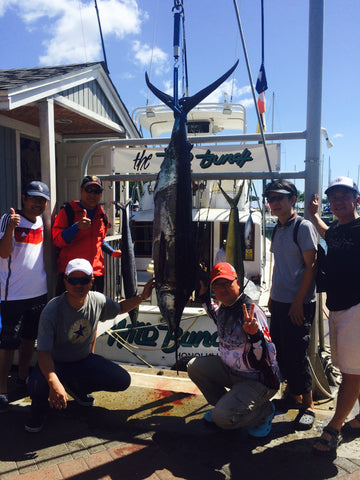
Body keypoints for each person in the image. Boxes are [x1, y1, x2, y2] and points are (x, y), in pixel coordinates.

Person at [25, 258, 155, 433]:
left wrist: (142, 297)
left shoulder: (98, 300)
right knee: (35, 383)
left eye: (84, 280)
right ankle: (39, 407)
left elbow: (120, 307)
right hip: (56, 364)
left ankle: (77, 387)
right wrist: (53, 381)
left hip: (83, 360)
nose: (78, 285)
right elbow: (43, 353)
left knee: (122, 380)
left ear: (91, 282)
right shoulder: (52, 310)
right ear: (65, 281)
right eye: (73, 280)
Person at [187, 262, 279, 436]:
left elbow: (270, 357)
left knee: (222, 419)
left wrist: (255, 335)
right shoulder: (225, 307)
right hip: (233, 373)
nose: (223, 289)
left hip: (258, 381)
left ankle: (264, 411)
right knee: (194, 366)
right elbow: (215, 314)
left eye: (227, 283)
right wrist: (204, 296)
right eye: (217, 285)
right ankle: (226, 406)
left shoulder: (251, 310)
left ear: (237, 282)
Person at [308, 176, 360, 458]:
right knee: (352, 369)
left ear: (356, 200)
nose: (338, 201)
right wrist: (314, 216)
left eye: (344, 195)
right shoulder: (339, 231)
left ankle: (335, 426)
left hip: (357, 308)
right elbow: (327, 233)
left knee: (351, 372)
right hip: (338, 308)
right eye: (334, 197)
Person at [264, 180, 318, 431]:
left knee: (297, 355)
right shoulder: (278, 228)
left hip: (299, 304)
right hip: (280, 302)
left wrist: (298, 303)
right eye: (271, 199)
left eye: (280, 198)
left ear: (292, 200)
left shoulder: (303, 227)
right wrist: (273, 297)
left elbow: (312, 267)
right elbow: (279, 266)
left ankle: (308, 405)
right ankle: (291, 396)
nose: (275, 203)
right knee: (281, 353)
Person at [0, 181, 50, 412]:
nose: (37, 204)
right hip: (13, 296)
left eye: (41, 200)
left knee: (29, 340)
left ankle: (22, 380)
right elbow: (3, 252)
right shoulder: (8, 219)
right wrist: (10, 228)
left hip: (38, 293)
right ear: (23, 198)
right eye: (33, 199)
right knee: (7, 344)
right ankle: (1, 390)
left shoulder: (41, 220)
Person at [52, 175, 122, 294]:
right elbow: (57, 240)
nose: (92, 195)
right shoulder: (67, 211)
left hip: (95, 274)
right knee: (68, 312)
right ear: (81, 191)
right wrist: (76, 227)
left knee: (94, 312)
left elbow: (100, 241)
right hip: (72, 275)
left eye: (97, 191)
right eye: (88, 190)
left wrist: (112, 251)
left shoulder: (102, 215)